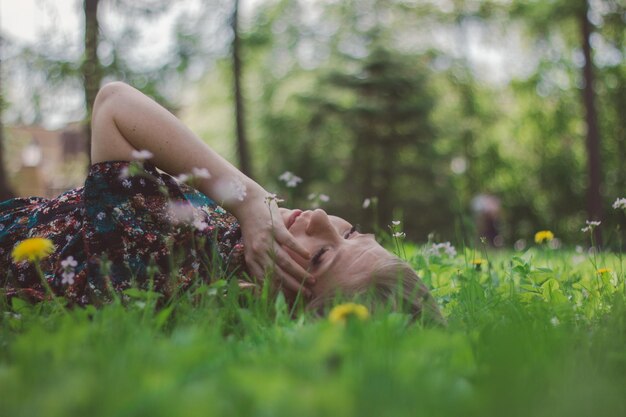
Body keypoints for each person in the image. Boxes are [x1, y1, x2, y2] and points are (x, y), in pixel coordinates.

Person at [0, 82, 443, 324]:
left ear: (286, 312)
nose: (324, 219)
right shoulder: (222, 247)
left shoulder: (168, 259)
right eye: (352, 233)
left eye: (324, 255)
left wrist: (249, 199)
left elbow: (115, 105)